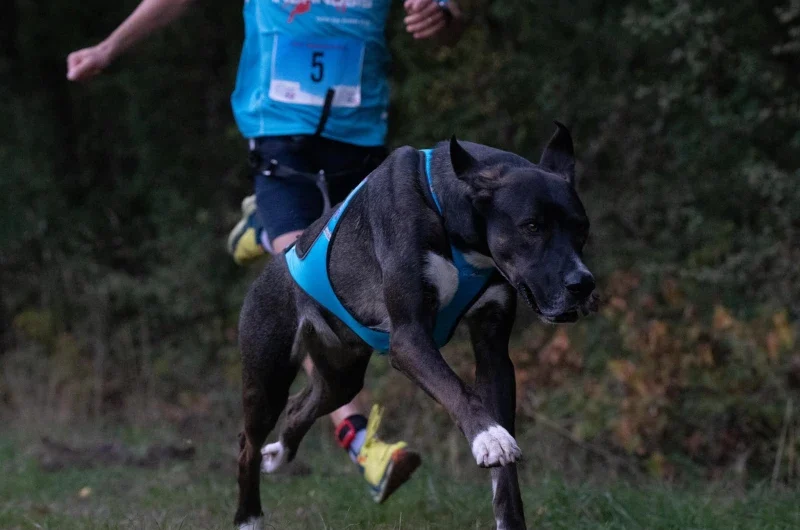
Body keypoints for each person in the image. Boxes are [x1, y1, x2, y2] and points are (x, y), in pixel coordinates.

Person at [67, 0, 463, 503]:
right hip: (282, 142)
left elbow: (446, 25)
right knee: (316, 295)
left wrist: (442, 20)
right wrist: (109, 46)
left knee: (350, 283)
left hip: (361, 144)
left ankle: (262, 229)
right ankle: (366, 447)